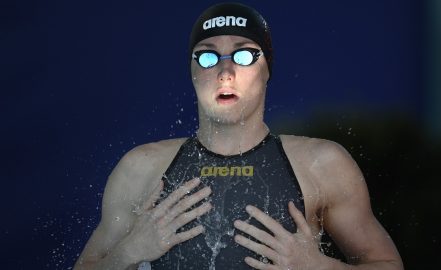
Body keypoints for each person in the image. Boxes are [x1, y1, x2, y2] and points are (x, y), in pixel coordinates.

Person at [74, 2, 403, 270]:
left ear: (267, 70)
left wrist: (317, 267)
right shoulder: (140, 170)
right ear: (192, 71)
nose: (225, 71)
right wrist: (127, 252)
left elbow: (387, 264)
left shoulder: (321, 165)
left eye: (244, 54)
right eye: (207, 55)